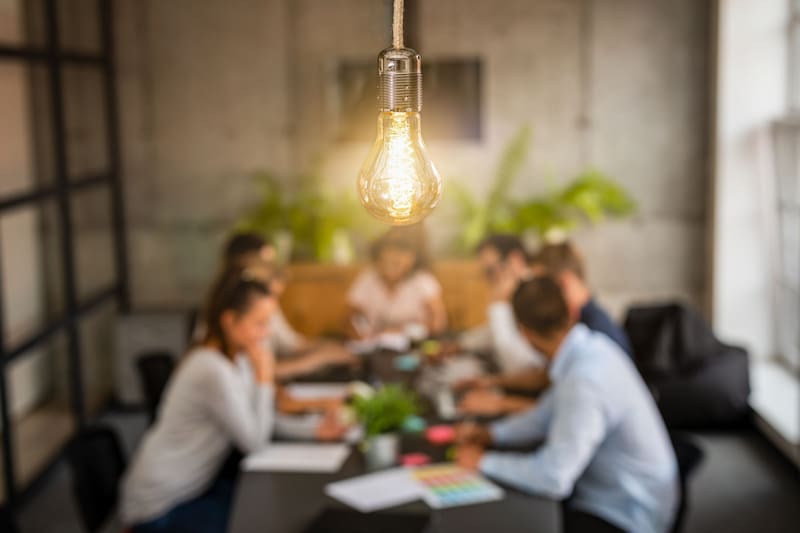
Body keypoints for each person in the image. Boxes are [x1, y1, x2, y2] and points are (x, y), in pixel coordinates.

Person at [455, 277, 678, 533]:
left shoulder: (585, 380)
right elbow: (545, 415)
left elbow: (554, 477)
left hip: (626, 515)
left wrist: (483, 462)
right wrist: (493, 435)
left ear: (523, 331)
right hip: (624, 496)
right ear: (569, 311)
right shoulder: (590, 349)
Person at [121, 265, 278, 533]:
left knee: (260, 504)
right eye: (259, 324)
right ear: (230, 320)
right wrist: (265, 380)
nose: (266, 334)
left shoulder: (234, 359)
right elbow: (255, 442)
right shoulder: (210, 368)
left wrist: (316, 429)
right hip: (158, 509)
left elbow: (255, 417)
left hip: (190, 490)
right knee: (260, 519)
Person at [457, 240, 633, 416]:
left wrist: (500, 404)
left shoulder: (596, 337)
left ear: (565, 283)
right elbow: (547, 376)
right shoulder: (580, 327)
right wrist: (493, 382)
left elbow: (568, 409)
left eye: (544, 288)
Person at [220, 232, 357, 380]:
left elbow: (289, 345)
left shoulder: (265, 303)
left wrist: (332, 347)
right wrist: (317, 359)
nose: (266, 332)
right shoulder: (236, 315)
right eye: (266, 264)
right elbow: (261, 373)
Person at [346, 224, 447, 338]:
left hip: (414, 344)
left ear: (411, 261)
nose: (393, 268)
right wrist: (360, 335)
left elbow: (438, 319)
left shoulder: (422, 281)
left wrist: (422, 333)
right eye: (388, 261)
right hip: (375, 345)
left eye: (398, 262)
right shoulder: (367, 279)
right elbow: (349, 317)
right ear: (378, 259)